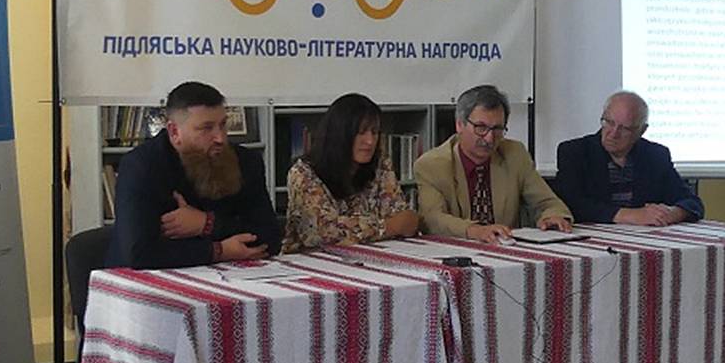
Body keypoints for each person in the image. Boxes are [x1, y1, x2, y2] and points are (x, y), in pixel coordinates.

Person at [106, 81, 279, 269]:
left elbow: (270, 238)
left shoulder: (245, 161)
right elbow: (139, 253)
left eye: (223, 125)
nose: (220, 138)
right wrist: (219, 250)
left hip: (229, 277)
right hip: (145, 282)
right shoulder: (141, 167)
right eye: (207, 128)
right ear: (174, 132)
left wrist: (207, 223)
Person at [414, 84, 572, 243]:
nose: (489, 138)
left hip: (506, 249)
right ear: (459, 125)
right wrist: (475, 231)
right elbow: (431, 219)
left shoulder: (515, 154)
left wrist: (552, 216)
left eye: (497, 129)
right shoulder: (432, 165)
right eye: (481, 128)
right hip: (455, 250)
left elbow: (547, 202)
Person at [281, 93, 419, 253]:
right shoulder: (303, 173)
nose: (370, 141)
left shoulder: (380, 163)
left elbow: (406, 219)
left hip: (371, 257)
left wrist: (362, 229)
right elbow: (322, 233)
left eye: (374, 132)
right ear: (340, 134)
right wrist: (388, 227)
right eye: (361, 132)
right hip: (312, 261)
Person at [550, 90, 704, 226]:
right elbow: (570, 203)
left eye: (625, 128)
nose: (613, 133)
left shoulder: (656, 155)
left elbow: (692, 202)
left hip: (644, 239)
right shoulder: (575, 152)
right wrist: (630, 215)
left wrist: (672, 213)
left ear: (642, 130)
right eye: (609, 122)